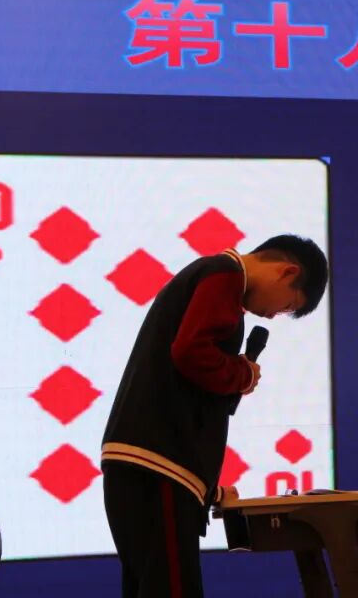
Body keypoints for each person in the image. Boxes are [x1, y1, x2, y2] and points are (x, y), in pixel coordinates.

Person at [101, 234, 328, 597]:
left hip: (148, 465)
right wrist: (242, 374)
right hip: (160, 464)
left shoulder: (211, 278)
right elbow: (192, 352)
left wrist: (209, 488)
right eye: (287, 305)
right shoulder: (225, 274)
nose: (274, 315)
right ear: (288, 272)